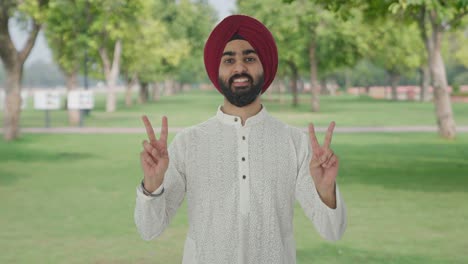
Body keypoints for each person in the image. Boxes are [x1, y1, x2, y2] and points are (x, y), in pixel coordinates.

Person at [134, 14, 346, 264]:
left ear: (264, 66)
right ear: (217, 69)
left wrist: (325, 191)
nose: (239, 68)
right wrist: (152, 185)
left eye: (249, 58)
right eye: (229, 60)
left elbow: (333, 231)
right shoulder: (188, 143)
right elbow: (149, 230)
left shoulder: (294, 142)